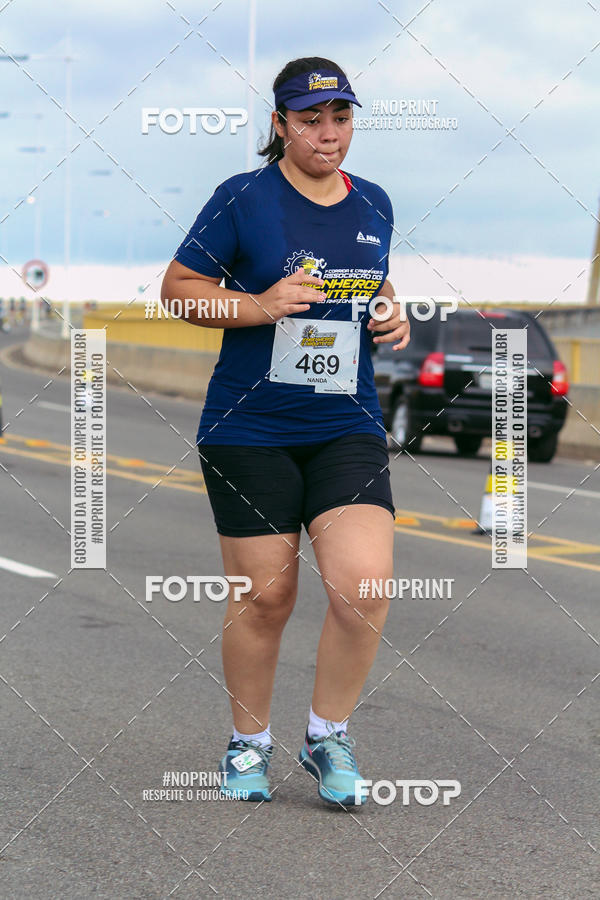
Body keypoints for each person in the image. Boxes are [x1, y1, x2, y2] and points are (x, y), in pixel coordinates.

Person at [161, 56, 410, 807]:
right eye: (310, 119)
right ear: (280, 125)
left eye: (340, 117)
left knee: (365, 586)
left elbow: (375, 278)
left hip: (346, 422)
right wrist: (261, 305)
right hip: (251, 427)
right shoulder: (242, 199)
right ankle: (248, 745)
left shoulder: (374, 204)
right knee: (265, 599)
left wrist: (391, 308)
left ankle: (326, 736)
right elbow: (177, 293)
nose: (328, 134)